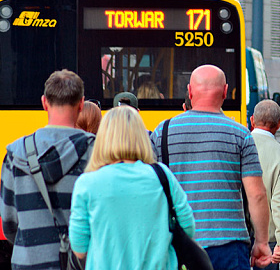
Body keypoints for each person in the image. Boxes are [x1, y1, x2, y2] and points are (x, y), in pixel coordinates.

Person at [150, 64, 272, 270]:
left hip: (179, 245)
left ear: (189, 92)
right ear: (225, 92)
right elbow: (257, 195)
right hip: (229, 245)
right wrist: (261, 242)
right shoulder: (241, 134)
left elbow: (152, 189)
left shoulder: (163, 131)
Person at [69, 107, 195, 269]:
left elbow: (79, 248)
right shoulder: (162, 176)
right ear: (140, 137)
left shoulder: (87, 183)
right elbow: (188, 228)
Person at [1, 70, 95, 270]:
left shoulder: (15, 154)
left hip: (28, 262)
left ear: (44, 103)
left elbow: (9, 222)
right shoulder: (97, 152)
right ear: (81, 104)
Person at [249, 101, 280, 270]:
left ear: (252, 120)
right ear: (279, 125)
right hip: (268, 238)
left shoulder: (239, 146)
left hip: (238, 233)